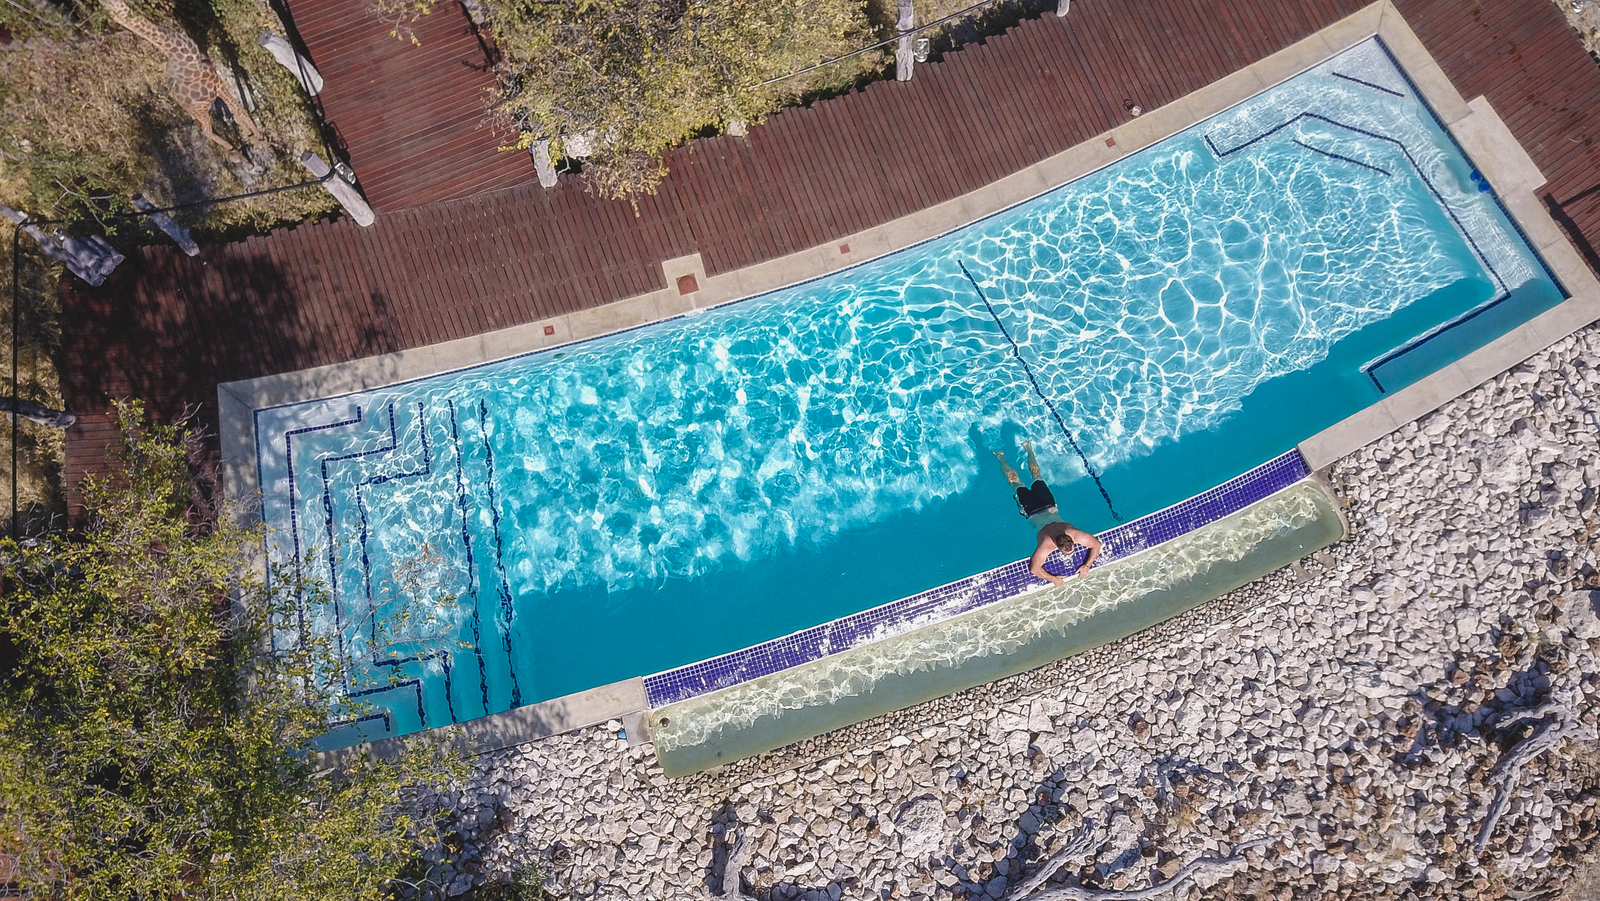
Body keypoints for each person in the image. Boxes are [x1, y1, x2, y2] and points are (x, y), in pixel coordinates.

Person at [994, 440, 1102, 586]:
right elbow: (1034, 569)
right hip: (1031, 508)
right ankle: (1001, 457)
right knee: (1015, 481)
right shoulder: (1046, 544)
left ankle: (1027, 448)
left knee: (1036, 474)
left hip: (1047, 503)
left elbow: (1096, 545)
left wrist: (1087, 565)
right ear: (1058, 546)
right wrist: (1053, 578)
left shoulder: (1073, 532)